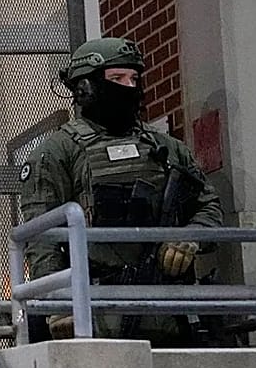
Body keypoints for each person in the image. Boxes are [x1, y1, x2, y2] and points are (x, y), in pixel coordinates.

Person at [20, 37, 223, 344]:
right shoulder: (57, 152)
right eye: (117, 79)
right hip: (96, 313)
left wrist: (189, 237)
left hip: (169, 310)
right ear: (85, 88)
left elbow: (209, 206)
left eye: (134, 79)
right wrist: (59, 304)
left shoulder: (166, 148)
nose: (129, 87)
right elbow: (42, 238)